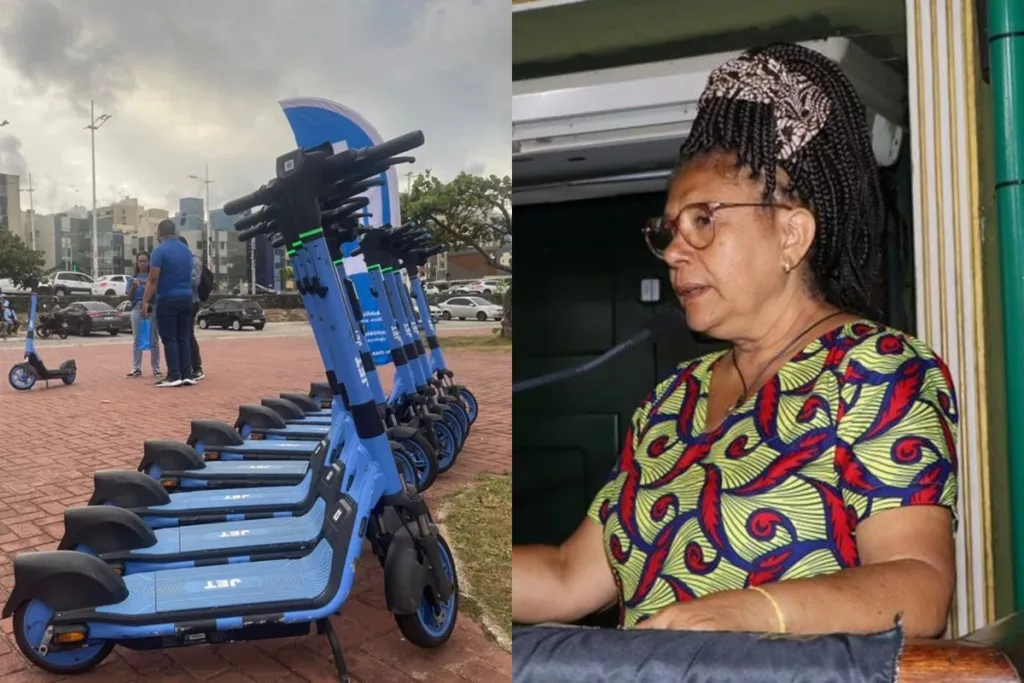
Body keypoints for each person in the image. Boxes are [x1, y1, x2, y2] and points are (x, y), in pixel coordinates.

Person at [512, 43, 958, 640]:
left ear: (792, 235)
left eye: (704, 219)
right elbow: (571, 577)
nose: (674, 251)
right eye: (669, 230)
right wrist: (439, 554)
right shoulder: (671, 402)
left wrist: (750, 612)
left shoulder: (874, 369)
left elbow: (919, 586)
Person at [142, 219, 196, 387]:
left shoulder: (159, 251)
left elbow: (152, 279)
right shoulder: (187, 251)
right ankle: (187, 373)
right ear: (175, 232)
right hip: (187, 297)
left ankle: (174, 375)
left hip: (167, 298)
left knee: (169, 338)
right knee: (184, 337)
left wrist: (145, 301)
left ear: (159, 234)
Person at [125, 251, 162, 378]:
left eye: (145, 261)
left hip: (151, 307)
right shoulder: (132, 278)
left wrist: (148, 285)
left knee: (154, 339)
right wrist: (134, 288)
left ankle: (156, 368)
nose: (142, 263)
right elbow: (129, 298)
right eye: (140, 261)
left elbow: (158, 293)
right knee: (137, 338)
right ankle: (136, 367)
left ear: (149, 262)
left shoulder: (153, 277)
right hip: (137, 307)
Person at [179, 235, 204, 380]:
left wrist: (176, 279)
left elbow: (194, 281)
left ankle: (197, 367)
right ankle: (184, 366)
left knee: (188, 334)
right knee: (181, 335)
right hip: (180, 299)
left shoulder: (194, 259)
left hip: (191, 300)